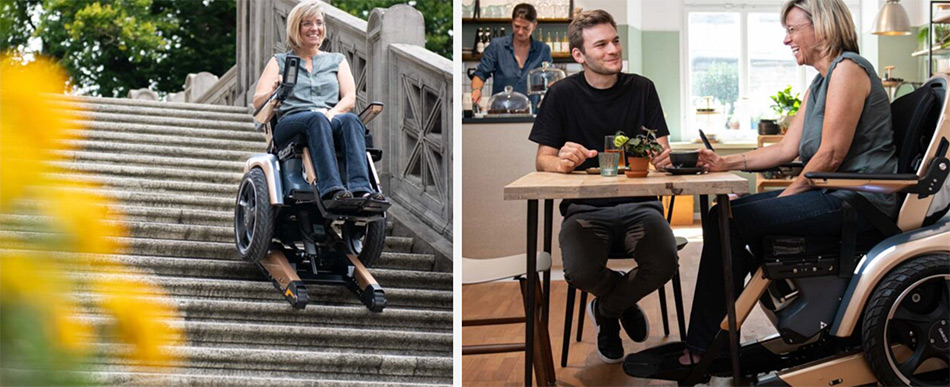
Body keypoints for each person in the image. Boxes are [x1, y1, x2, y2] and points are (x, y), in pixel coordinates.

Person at [676, 0, 896, 367]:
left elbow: (830, 156)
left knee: (727, 220)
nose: (786, 40)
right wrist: (723, 161)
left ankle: (703, 347)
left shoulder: (849, 70)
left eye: (793, 30)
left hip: (859, 204)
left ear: (822, 27)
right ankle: (714, 338)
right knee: (724, 215)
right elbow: (785, 148)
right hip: (834, 196)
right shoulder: (821, 82)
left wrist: (784, 198)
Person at [528, 9, 679, 364]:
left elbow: (663, 150)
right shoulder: (561, 94)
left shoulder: (642, 88)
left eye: (615, 40)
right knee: (578, 271)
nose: (613, 49)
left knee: (664, 263)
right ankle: (619, 302)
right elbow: (542, 161)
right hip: (584, 208)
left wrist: (664, 158)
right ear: (579, 55)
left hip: (642, 205)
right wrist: (562, 160)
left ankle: (607, 310)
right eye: (601, 44)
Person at [252, 0, 384, 208]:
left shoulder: (337, 60)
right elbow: (257, 101)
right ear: (296, 27)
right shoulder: (280, 61)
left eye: (319, 23)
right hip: (292, 121)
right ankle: (331, 189)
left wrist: (332, 113)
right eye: (307, 23)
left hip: (329, 117)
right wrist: (275, 89)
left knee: (350, 120)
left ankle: (362, 189)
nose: (315, 28)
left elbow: (349, 99)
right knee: (316, 119)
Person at [471, 3, 553, 107]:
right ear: (511, 22)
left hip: (531, 113)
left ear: (534, 25)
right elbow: (481, 74)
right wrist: (476, 90)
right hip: (500, 112)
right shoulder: (497, 46)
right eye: (517, 26)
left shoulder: (543, 50)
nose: (520, 32)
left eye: (526, 28)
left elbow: (550, 79)